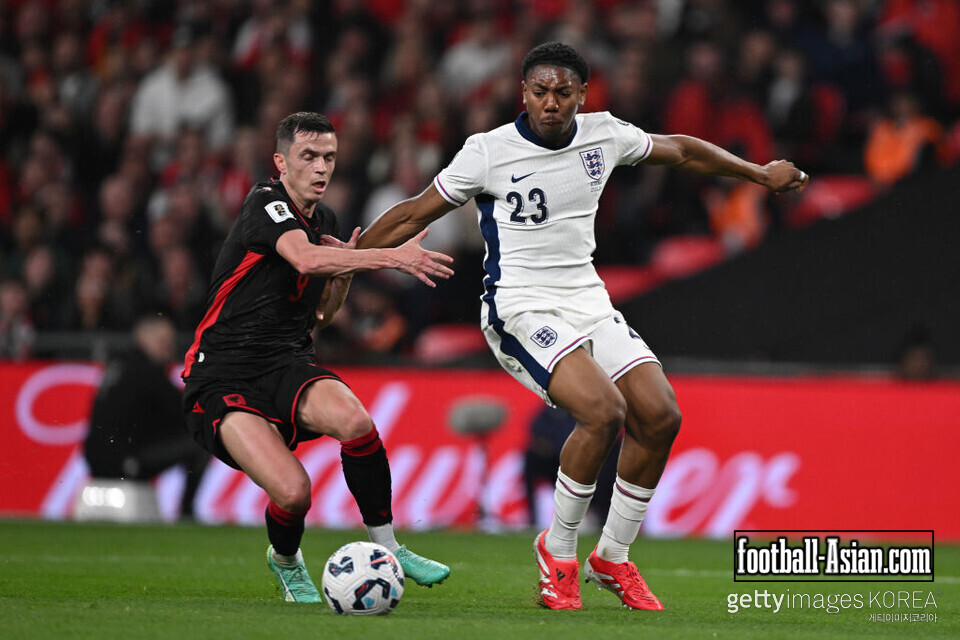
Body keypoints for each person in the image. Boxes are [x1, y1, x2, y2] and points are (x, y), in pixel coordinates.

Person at [358, 42, 809, 611]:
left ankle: (613, 556)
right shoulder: (487, 151)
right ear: (523, 93)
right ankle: (560, 550)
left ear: (582, 96)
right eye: (541, 92)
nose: (551, 103)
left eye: (563, 93)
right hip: (519, 307)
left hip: (587, 301)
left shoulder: (604, 134)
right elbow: (413, 212)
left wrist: (757, 174)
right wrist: (348, 267)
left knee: (661, 414)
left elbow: (682, 152)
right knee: (603, 411)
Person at [181, 112, 453, 604]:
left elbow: (321, 316)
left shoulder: (322, 221)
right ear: (281, 163)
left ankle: (389, 547)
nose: (320, 167)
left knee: (357, 421)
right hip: (222, 373)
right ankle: (285, 561)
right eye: (308, 157)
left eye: (328, 156)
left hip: (285, 360)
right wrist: (391, 257)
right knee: (293, 493)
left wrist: (344, 277)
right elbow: (306, 260)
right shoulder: (265, 204)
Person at [84, 315, 209, 520]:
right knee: (200, 442)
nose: (169, 347)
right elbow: (183, 413)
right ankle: (187, 513)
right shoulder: (147, 371)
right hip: (125, 462)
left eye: (171, 341)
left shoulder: (118, 366)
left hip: (97, 460)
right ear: (143, 339)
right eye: (163, 341)